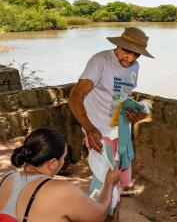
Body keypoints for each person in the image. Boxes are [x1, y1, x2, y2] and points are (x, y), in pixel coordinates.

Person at [68, 26, 154, 221]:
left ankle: (114, 217)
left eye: (136, 55)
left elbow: (122, 96)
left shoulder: (134, 67)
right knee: (104, 184)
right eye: (126, 51)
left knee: (120, 182)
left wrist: (133, 112)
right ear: (118, 45)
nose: (130, 58)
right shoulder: (100, 61)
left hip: (121, 131)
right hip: (100, 132)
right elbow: (75, 97)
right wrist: (90, 129)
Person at [0, 128, 120, 222]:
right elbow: (99, 215)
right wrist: (109, 183)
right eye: (63, 158)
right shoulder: (61, 191)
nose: (64, 162)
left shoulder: (6, 178)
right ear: (53, 163)